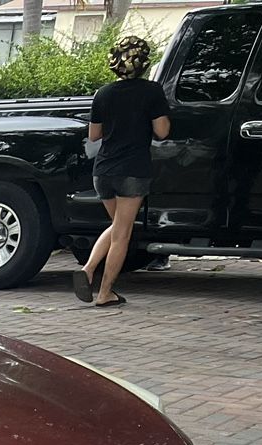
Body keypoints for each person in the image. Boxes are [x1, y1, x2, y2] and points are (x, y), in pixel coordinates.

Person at [76, 35, 170, 308]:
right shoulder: (152, 91)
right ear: (143, 63)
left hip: (103, 171)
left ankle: (87, 269)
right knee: (122, 234)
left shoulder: (103, 93)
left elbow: (94, 135)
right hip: (133, 170)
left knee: (117, 226)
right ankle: (105, 293)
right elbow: (162, 132)